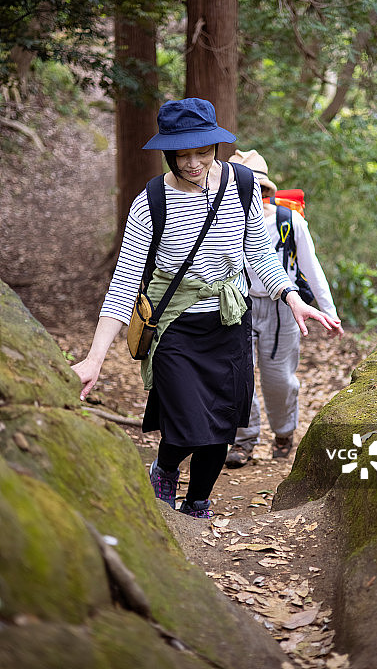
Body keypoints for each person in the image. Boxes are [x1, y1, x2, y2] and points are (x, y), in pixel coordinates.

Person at [72, 99, 342, 518]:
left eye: (203, 151)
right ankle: (164, 468)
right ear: (169, 153)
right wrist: (94, 359)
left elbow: (260, 257)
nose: (194, 162)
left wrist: (292, 297)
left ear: (216, 146)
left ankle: (197, 500)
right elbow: (124, 285)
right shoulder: (151, 203)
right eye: (183, 154)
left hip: (231, 324)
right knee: (186, 426)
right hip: (176, 328)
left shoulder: (244, 185)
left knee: (219, 431)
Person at [225, 150, 343, 468]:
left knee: (279, 379)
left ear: (265, 190)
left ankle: (283, 433)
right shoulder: (224, 221)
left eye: (256, 188)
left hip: (284, 308)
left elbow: (311, 268)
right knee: (239, 375)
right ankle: (244, 438)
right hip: (238, 305)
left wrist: (329, 313)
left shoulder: (289, 221)